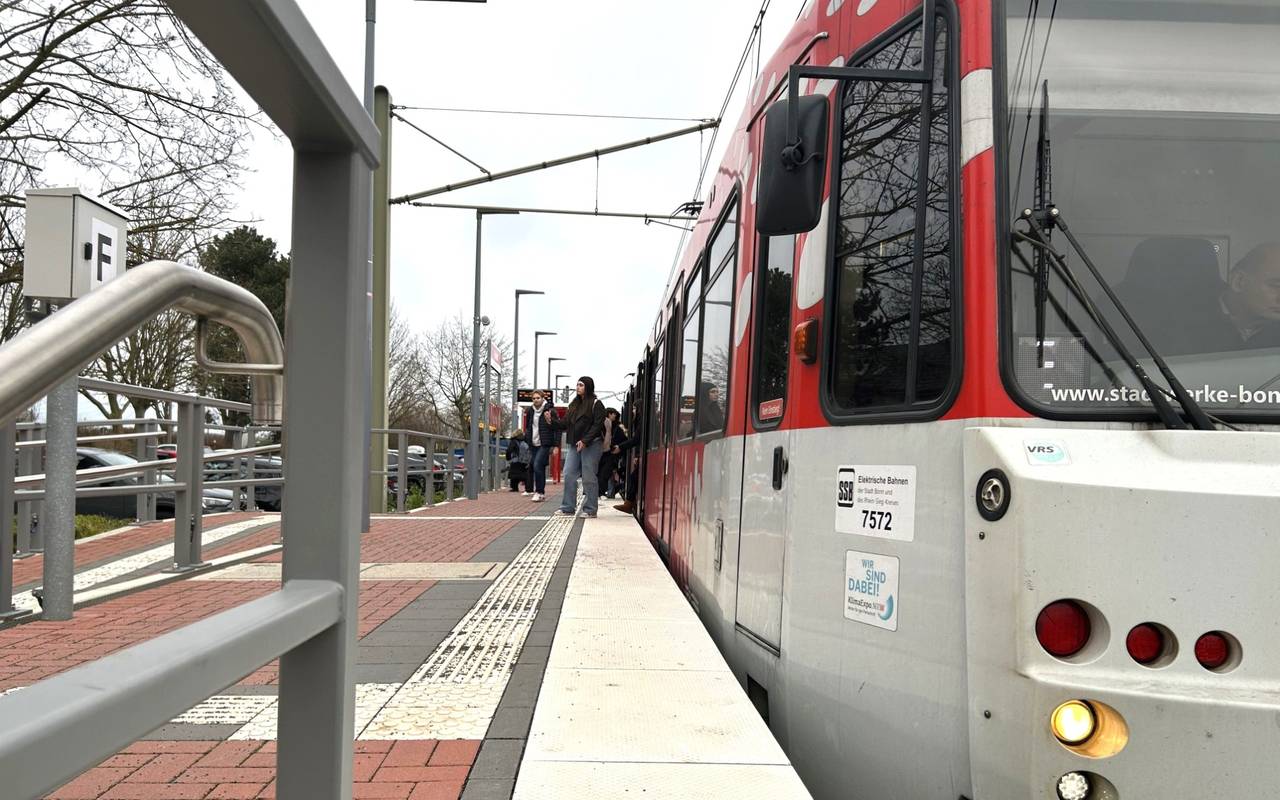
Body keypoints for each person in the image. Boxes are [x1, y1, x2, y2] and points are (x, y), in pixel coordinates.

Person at [553, 376, 606, 517]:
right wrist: (551, 421)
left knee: (588, 476)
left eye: (581, 385)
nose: (578, 388)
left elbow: (597, 425)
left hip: (592, 444)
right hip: (574, 444)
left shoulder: (596, 404)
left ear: (588, 386)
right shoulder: (574, 405)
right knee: (569, 473)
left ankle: (590, 509)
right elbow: (565, 423)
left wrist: (585, 440)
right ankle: (568, 507)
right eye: (577, 385)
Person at [522, 389, 556, 502]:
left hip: (545, 443)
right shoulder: (530, 410)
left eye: (538, 398)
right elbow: (528, 426)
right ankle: (541, 492)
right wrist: (527, 437)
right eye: (534, 398)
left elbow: (557, 428)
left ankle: (538, 491)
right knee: (538, 467)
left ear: (542, 398)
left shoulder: (550, 410)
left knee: (537, 465)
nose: (536, 400)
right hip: (533, 442)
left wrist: (555, 445)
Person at [596, 408, 632, 500]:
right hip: (604, 452)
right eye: (613, 414)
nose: (615, 415)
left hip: (612, 454)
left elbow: (624, 439)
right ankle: (604, 491)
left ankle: (603, 492)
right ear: (608, 414)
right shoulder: (604, 425)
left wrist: (618, 447)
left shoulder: (618, 427)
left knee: (606, 473)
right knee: (603, 473)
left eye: (615, 414)